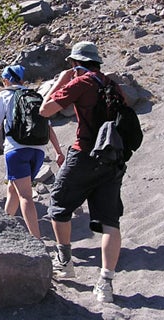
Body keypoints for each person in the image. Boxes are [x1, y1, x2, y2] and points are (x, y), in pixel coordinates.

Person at [39, 41, 126, 303]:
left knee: (59, 205)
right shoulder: (112, 85)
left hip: (85, 153)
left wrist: (63, 80)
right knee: (110, 222)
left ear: (76, 63)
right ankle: (106, 283)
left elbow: (45, 110)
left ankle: (64, 261)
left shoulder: (80, 83)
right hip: (112, 157)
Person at [0, 65, 65, 239]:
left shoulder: (5, 95)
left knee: (26, 196)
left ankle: (36, 240)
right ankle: (4, 228)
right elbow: (48, 128)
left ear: (6, 79)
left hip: (16, 150)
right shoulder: (36, 96)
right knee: (13, 190)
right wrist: (58, 151)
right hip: (38, 152)